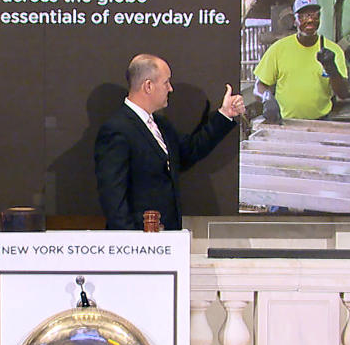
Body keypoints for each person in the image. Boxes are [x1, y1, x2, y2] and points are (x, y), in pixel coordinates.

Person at [94, 54, 246, 230]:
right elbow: (113, 198)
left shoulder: (161, 125)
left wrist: (225, 114)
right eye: (166, 82)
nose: (170, 88)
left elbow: (190, 151)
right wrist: (134, 245)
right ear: (148, 86)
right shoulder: (117, 130)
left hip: (167, 240)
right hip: (142, 246)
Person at [254, 0, 349, 122]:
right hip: (286, 123)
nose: (309, 20)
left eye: (314, 15)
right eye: (303, 16)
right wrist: (266, 98)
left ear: (319, 18)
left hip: (321, 123)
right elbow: (259, 86)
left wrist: (332, 69)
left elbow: (343, 94)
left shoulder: (333, 50)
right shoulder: (278, 49)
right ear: (294, 20)